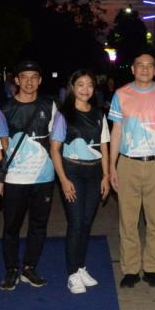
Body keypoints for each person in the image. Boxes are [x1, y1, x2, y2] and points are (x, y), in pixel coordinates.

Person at [109, 53, 155, 288]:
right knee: (127, 221)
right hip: (127, 163)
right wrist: (112, 166)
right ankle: (130, 269)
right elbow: (116, 132)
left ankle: (151, 268)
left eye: (150, 65)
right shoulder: (121, 94)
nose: (145, 69)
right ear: (133, 69)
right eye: (140, 65)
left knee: (154, 220)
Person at [0, 60, 58, 291]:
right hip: (15, 178)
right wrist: (1, 179)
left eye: (34, 77)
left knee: (38, 225)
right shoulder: (4, 109)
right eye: (24, 77)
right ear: (17, 80)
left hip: (43, 177)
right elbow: (1, 145)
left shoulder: (49, 106)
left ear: (40, 80)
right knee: (11, 226)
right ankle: (11, 269)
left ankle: (30, 267)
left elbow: (56, 141)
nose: (29, 82)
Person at [50, 70, 112, 294]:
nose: (85, 89)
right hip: (73, 172)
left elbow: (103, 146)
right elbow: (55, 150)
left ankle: (80, 266)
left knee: (86, 223)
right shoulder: (63, 115)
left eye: (90, 85)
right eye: (80, 85)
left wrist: (106, 176)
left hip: (94, 173)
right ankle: (72, 273)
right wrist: (64, 180)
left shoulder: (99, 114)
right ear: (72, 87)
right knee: (76, 223)